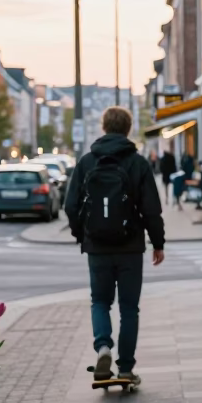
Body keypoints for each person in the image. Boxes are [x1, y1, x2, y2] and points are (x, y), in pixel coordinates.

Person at [64, 106, 165, 387]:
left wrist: (81, 235)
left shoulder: (86, 163)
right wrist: (158, 243)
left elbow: (70, 206)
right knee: (129, 308)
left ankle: (103, 348)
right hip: (131, 247)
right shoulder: (138, 163)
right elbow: (152, 210)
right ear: (128, 129)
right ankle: (125, 368)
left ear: (104, 127)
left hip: (97, 247)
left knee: (100, 301)